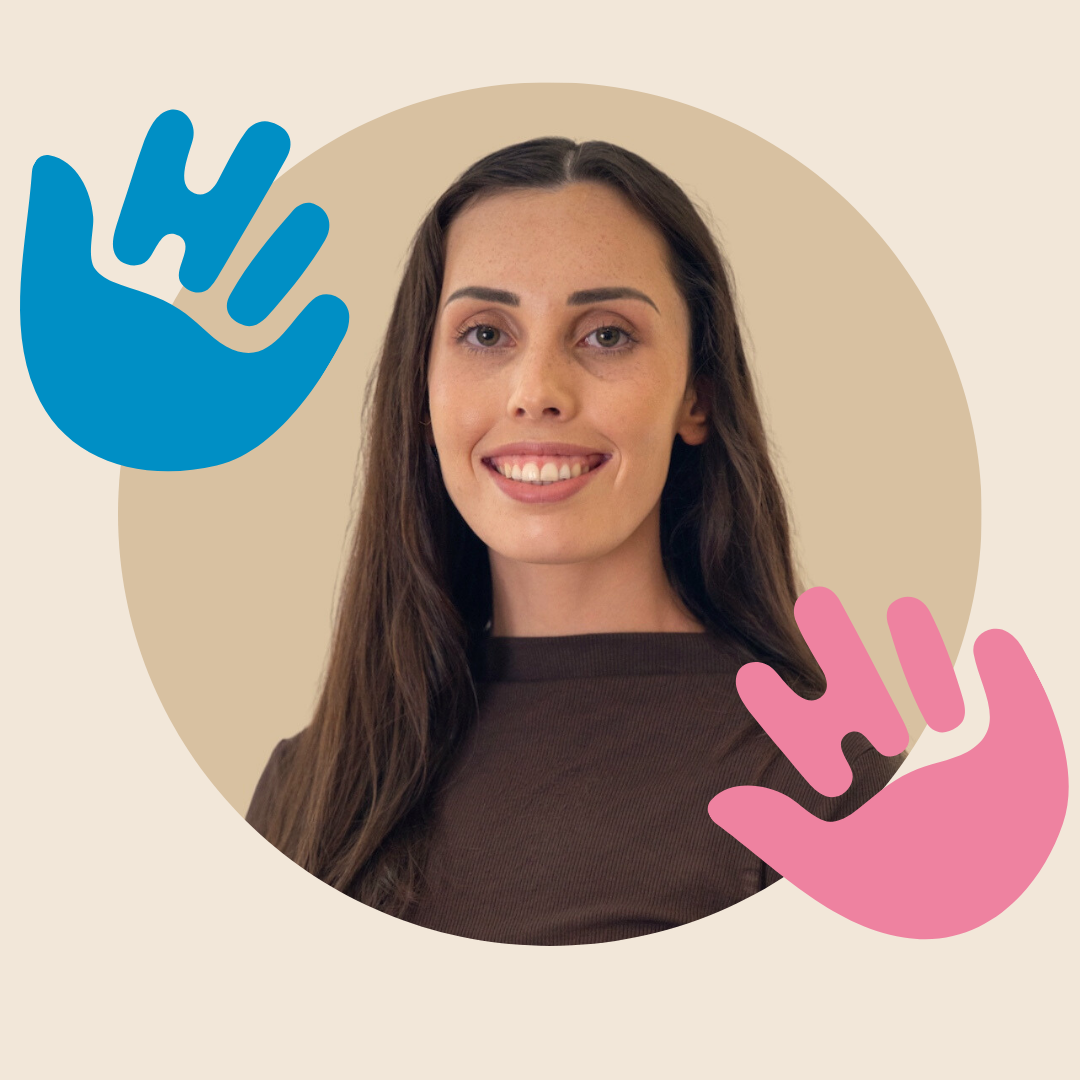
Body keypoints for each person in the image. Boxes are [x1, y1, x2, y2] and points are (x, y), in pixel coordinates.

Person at [246, 137, 905, 945]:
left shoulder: (823, 776)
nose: (537, 393)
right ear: (423, 392)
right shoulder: (309, 788)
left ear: (696, 395)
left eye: (605, 335)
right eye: (486, 334)